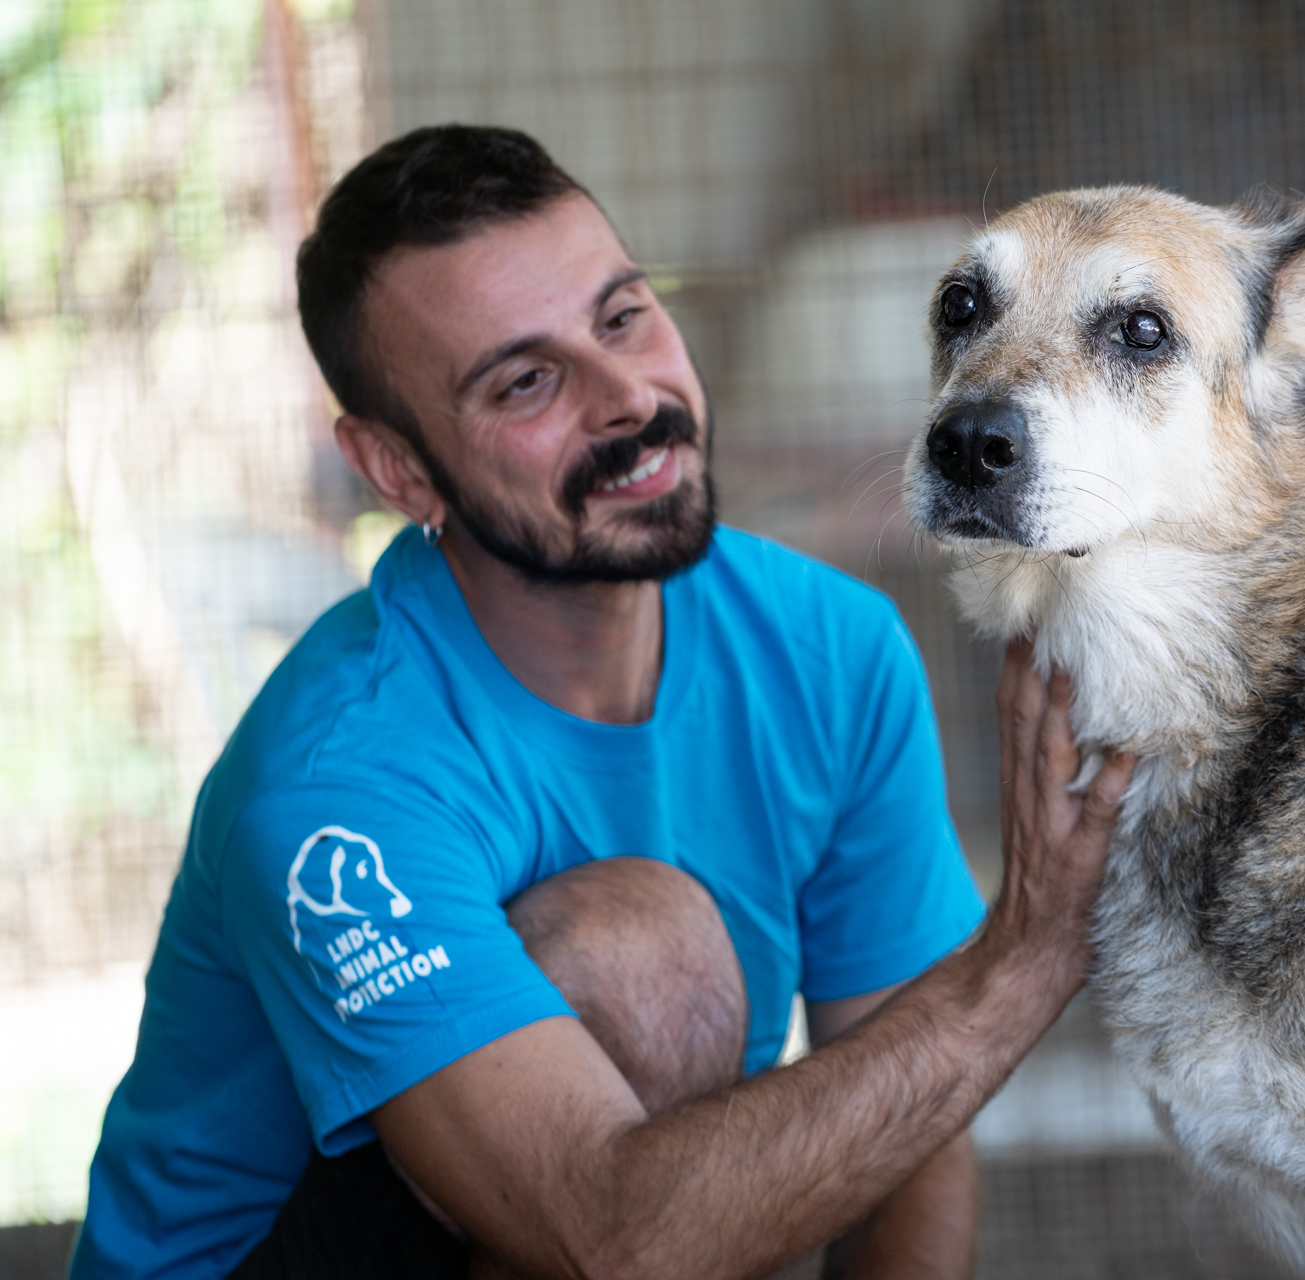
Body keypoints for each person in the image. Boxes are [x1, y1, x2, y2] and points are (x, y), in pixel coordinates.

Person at [72, 125, 1135, 1279]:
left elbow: (920, 1105)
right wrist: (1022, 956)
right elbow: (611, 1235)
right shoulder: (338, 780)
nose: (628, 397)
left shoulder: (832, 651)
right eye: (527, 380)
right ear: (399, 470)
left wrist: (974, 1002)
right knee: (646, 960)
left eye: (624, 315)